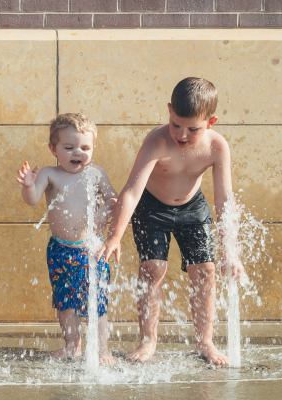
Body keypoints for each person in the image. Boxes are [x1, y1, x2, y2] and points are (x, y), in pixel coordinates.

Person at [97, 77, 244, 365]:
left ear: (211, 122)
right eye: (176, 124)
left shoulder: (217, 147)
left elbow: (225, 199)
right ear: (168, 111)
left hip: (193, 208)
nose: (182, 134)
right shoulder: (157, 140)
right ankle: (149, 340)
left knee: (205, 270)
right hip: (152, 208)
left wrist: (231, 250)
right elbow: (131, 191)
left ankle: (206, 342)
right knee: (153, 268)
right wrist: (115, 235)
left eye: (193, 128)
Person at [17, 113, 118, 366]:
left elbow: (112, 200)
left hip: (92, 249)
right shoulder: (50, 174)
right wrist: (29, 185)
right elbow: (32, 200)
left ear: (93, 148)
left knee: (98, 301)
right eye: (69, 147)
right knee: (65, 303)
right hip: (61, 250)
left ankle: (102, 349)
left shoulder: (96, 173)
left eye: (85, 147)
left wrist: (104, 211)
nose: (78, 153)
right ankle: (73, 345)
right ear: (54, 148)